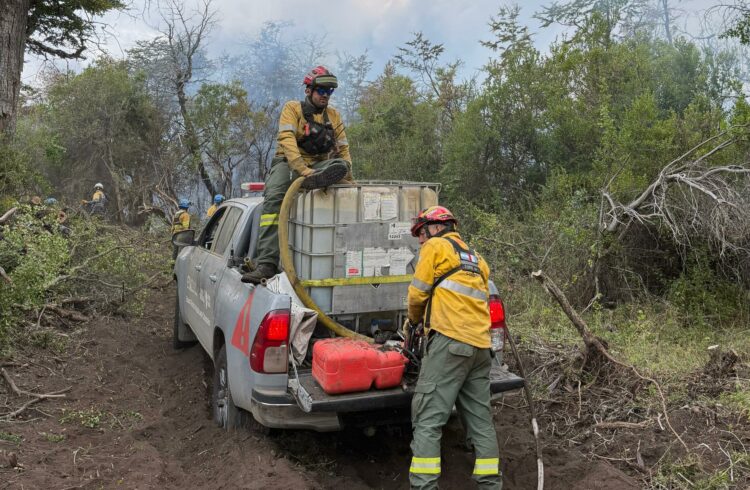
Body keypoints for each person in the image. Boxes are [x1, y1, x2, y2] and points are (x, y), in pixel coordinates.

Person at [406, 206, 502, 490]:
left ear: (436, 227)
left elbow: (417, 293)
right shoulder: (478, 259)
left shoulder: (435, 247)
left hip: (450, 342)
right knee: (480, 420)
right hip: (481, 349)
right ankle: (490, 485)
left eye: (422, 233)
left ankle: (424, 486)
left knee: (427, 417)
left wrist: (412, 323)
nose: (421, 240)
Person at [241, 65, 354, 284]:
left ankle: (317, 181)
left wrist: (349, 177)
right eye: (321, 90)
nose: (326, 96)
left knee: (340, 165)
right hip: (289, 163)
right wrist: (302, 170)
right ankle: (266, 263)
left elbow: (343, 149)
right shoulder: (292, 109)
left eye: (330, 92)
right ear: (308, 90)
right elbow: (288, 141)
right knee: (273, 201)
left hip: (320, 166)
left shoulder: (333, 116)